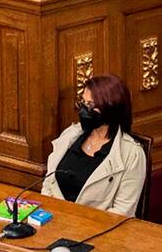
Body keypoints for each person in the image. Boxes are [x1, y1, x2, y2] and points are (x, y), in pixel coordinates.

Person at [41, 75, 147, 217]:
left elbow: (123, 211)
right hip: (53, 218)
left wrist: (77, 223)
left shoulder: (132, 154)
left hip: (95, 227)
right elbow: (49, 183)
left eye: (91, 105)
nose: (84, 110)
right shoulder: (71, 134)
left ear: (111, 107)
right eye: (83, 103)